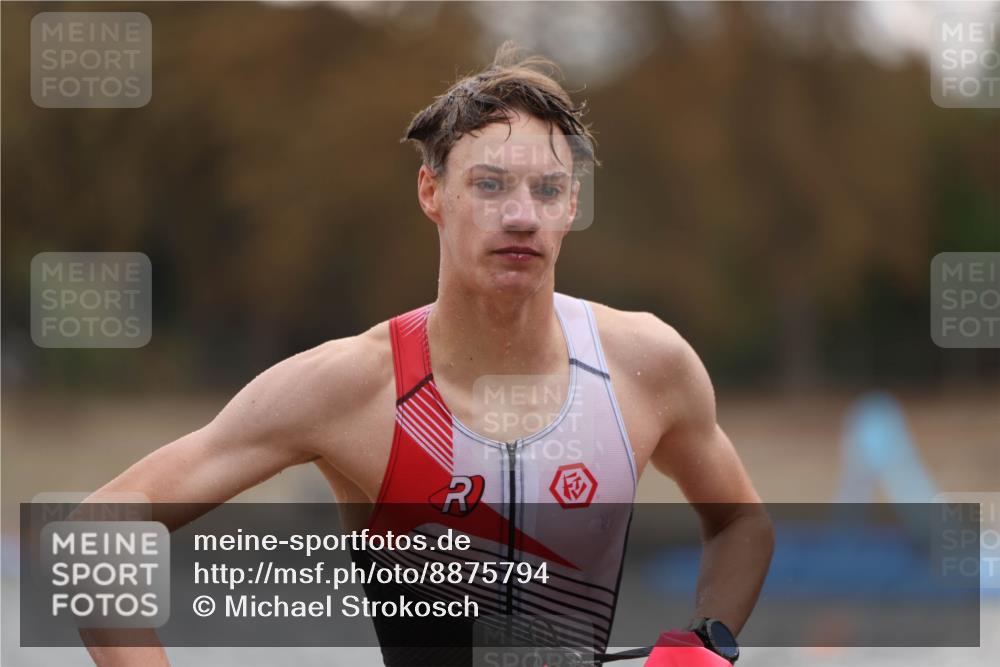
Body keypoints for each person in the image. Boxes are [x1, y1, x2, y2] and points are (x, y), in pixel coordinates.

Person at [80, 41, 773, 667]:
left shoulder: (646, 364)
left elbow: (742, 522)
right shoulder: (352, 386)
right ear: (432, 192)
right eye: (491, 183)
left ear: (570, 208)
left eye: (547, 189)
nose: (521, 214)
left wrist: (708, 642)